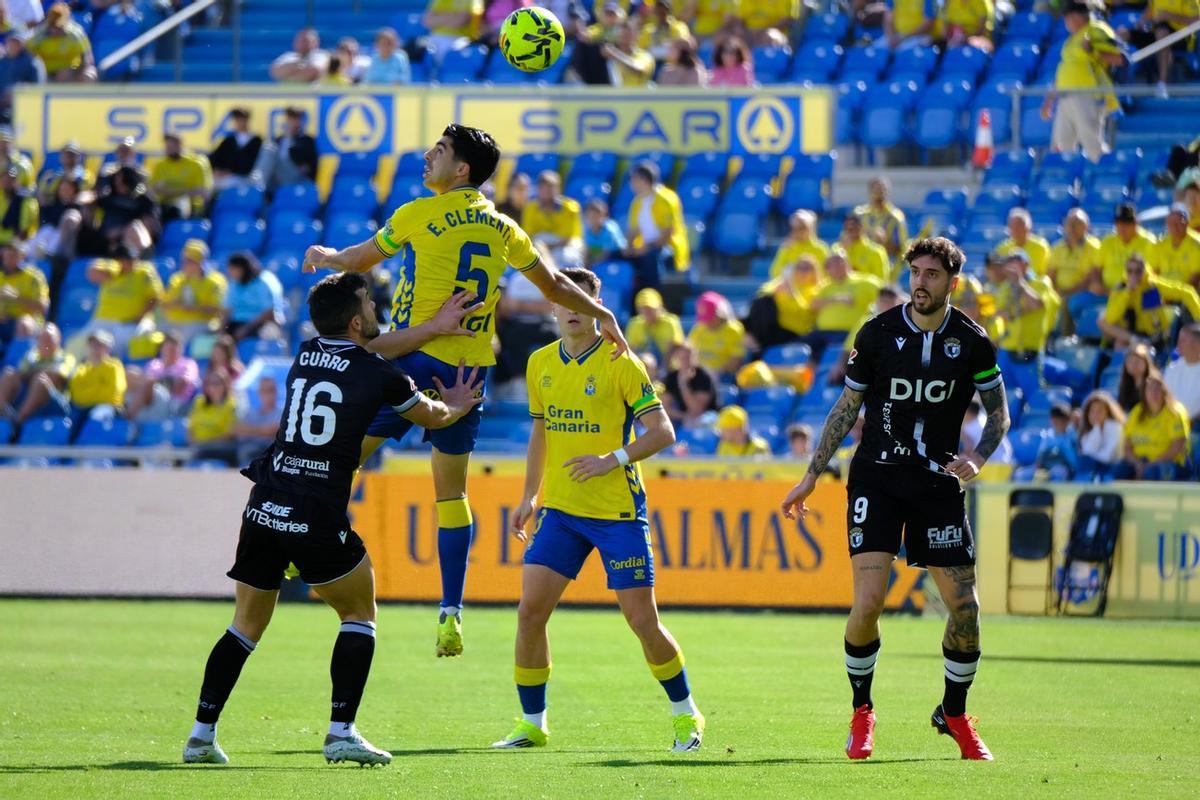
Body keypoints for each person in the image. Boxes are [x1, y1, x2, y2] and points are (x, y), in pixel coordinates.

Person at [301, 123, 628, 657]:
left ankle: (304, 546)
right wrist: (603, 312)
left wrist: (329, 256)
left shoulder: (417, 213)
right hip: (467, 374)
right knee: (451, 494)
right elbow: (554, 286)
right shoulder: (505, 228)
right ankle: (450, 609)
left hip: (412, 356)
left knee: (340, 456)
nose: (428, 156)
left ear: (461, 170)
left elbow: (361, 260)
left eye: (439, 150)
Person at [181, 270, 484, 766]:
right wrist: (452, 405)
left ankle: (200, 735)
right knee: (359, 614)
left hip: (265, 501)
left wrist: (431, 328)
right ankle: (341, 732)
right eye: (366, 303)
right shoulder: (379, 374)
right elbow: (429, 415)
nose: (373, 309)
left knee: (244, 627)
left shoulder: (303, 354)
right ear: (354, 320)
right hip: (316, 509)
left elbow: (373, 345)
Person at [780, 236, 1009, 762]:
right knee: (869, 602)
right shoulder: (878, 334)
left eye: (931, 274)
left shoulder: (973, 342)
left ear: (952, 282)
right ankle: (862, 712)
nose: (920, 283)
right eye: (915, 273)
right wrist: (813, 474)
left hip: (938, 484)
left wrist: (978, 457)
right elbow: (845, 406)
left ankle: (953, 713)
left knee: (966, 611)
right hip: (877, 478)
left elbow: (998, 413)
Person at [495, 266, 704, 753]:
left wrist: (611, 459)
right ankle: (532, 723)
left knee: (642, 622)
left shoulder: (622, 363)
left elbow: (663, 433)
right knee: (530, 613)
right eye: (562, 300)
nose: (570, 309)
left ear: (596, 306)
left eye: (581, 300)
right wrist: (530, 495)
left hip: (617, 514)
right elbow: (541, 431)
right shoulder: (540, 362)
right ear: (551, 306)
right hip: (562, 513)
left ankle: (685, 714)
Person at [1040, 2, 1126, 163]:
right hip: (1065, 98)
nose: (1065, 23)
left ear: (1074, 17)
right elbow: (1063, 71)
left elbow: (1121, 59)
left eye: (1066, 18)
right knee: (1060, 145)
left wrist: (1093, 50)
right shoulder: (1072, 39)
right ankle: (1063, 184)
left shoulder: (1096, 29)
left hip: (1088, 95)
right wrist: (1049, 101)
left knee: (1092, 143)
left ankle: (1109, 176)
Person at [990, 249, 1060, 401]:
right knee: (1003, 395)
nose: (1009, 264)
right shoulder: (1006, 286)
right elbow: (1000, 311)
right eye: (1008, 261)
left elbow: (1038, 304)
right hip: (1007, 348)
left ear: (1025, 264)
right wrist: (1019, 311)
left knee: (1033, 395)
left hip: (1030, 348)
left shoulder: (1041, 282)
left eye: (1014, 260)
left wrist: (1020, 283)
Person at [1098, 253, 1200, 351]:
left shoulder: (1153, 285)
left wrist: (1198, 317)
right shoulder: (1121, 287)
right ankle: (1133, 343)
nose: (1134, 275)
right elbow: (1110, 318)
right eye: (1130, 271)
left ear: (1144, 270)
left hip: (1153, 334)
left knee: (1120, 344)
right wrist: (1127, 292)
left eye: (1138, 271)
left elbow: (1187, 292)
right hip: (1133, 333)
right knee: (1102, 321)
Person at [82, 243, 161, 356]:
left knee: (120, 340)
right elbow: (91, 273)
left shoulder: (145, 271)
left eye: (133, 258)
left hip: (131, 322)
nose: (132, 262)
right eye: (127, 259)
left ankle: (113, 367)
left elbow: (154, 298)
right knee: (82, 342)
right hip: (103, 320)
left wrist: (139, 318)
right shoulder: (111, 269)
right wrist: (112, 270)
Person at [624, 160, 689, 295]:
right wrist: (629, 248)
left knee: (650, 259)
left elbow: (667, 232)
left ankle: (656, 297)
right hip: (644, 247)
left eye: (634, 179)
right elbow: (632, 230)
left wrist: (646, 248)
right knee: (616, 255)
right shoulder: (637, 201)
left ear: (643, 180)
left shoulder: (666, 198)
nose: (631, 183)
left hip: (667, 248)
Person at [810, 249, 882, 358]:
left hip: (847, 332)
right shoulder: (825, 287)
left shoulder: (865, 282)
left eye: (839, 262)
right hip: (821, 332)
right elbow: (813, 305)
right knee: (798, 347)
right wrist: (836, 299)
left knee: (825, 354)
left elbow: (888, 294)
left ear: (847, 263)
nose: (837, 266)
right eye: (830, 265)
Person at [1118, 373, 1192, 480]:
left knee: (1151, 473)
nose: (1154, 393)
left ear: (1164, 392)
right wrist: (1137, 464)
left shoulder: (1175, 412)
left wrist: (1151, 464)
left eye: (1157, 389)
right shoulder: (1136, 412)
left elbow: (1177, 447)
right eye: (1150, 389)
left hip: (1171, 463)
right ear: (1144, 393)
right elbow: (1127, 446)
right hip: (1140, 461)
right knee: (1119, 471)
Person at [0, 321, 72, 430]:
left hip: (55, 401)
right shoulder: (31, 356)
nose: (45, 343)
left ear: (58, 340)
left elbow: (56, 377)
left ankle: (17, 422)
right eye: (42, 339)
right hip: (29, 395)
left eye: (49, 339)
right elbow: (20, 374)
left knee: (40, 380)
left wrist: (33, 373)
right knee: (9, 373)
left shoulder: (66, 357)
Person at [1046, 208, 1104, 337]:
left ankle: (1064, 339)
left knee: (1066, 301)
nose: (1072, 228)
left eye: (1077, 224)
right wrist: (1054, 291)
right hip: (1059, 291)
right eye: (1069, 224)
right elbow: (1050, 276)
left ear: (1086, 227)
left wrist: (1066, 292)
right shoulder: (1057, 247)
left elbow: (1090, 278)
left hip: (1081, 291)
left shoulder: (1094, 247)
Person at [745, 256, 821, 353]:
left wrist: (791, 292)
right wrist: (781, 287)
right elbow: (762, 293)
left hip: (794, 330)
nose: (802, 271)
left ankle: (756, 342)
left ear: (814, 272)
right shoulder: (786, 284)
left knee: (765, 303)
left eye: (807, 268)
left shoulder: (817, 290)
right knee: (763, 301)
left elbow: (804, 311)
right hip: (774, 327)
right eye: (799, 268)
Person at [79, 164, 156, 257]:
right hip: (106, 240)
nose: (119, 184)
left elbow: (149, 224)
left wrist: (121, 231)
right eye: (116, 180)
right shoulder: (109, 198)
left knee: (134, 226)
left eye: (123, 181)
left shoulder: (142, 200)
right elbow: (85, 198)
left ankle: (145, 258)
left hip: (130, 240)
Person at [124, 330, 200, 420]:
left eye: (174, 349)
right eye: (168, 348)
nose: (170, 352)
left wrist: (154, 382)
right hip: (150, 398)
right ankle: (124, 418)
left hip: (174, 403)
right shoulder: (154, 364)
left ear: (181, 349)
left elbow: (180, 386)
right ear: (162, 349)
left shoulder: (188, 364)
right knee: (130, 372)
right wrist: (155, 381)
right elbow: (146, 382)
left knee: (147, 384)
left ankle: (126, 419)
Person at [1136, 0, 1200, 94]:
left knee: (1162, 33)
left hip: (1183, 37)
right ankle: (1118, 90)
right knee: (1123, 33)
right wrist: (1142, 22)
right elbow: (1148, 13)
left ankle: (1162, 85)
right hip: (1155, 32)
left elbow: (1197, 21)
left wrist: (1169, 16)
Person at [523, 171, 584, 269]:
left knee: (570, 257)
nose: (547, 192)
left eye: (551, 187)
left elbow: (567, 239)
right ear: (538, 189)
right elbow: (529, 235)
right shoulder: (531, 207)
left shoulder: (570, 207)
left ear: (558, 188)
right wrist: (542, 247)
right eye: (543, 188)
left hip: (566, 246)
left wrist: (545, 247)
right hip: (541, 245)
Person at [67, 328, 126, 427]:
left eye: (100, 345)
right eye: (92, 345)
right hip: (83, 409)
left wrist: (89, 393)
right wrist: (98, 390)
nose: (95, 349)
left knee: (98, 415)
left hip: (109, 408)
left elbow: (114, 393)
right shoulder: (81, 370)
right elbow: (77, 397)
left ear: (108, 348)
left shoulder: (114, 367)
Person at [150, 133, 213, 223]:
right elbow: (154, 189)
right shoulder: (160, 165)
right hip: (163, 205)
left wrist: (169, 191)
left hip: (191, 206)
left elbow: (201, 191)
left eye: (171, 146)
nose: (168, 150)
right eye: (167, 146)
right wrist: (185, 191)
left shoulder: (196, 164)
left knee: (179, 205)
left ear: (180, 145)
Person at [222, 252, 284, 341]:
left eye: (232, 269)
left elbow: (269, 312)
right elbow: (228, 309)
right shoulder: (234, 283)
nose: (229, 272)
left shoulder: (264, 282)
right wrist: (221, 329)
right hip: (237, 323)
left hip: (261, 323)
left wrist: (246, 328)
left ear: (242, 269)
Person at [26, 3, 94, 82]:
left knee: (89, 74)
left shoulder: (75, 34)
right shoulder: (38, 35)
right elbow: (26, 57)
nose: (55, 30)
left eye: (59, 27)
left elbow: (87, 58)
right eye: (52, 26)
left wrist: (77, 72)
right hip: (45, 74)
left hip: (70, 73)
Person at [1013, 402, 1078, 482]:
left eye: (1061, 419)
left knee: (1059, 472)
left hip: (1064, 468)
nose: (1057, 422)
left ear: (1067, 421)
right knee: (1020, 474)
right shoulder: (1048, 435)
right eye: (1054, 419)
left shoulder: (1072, 435)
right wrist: (1038, 467)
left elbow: (1073, 461)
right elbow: (1041, 456)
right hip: (1045, 467)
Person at [1099, 202, 1157, 290]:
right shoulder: (1108, 241)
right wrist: (1097, 283)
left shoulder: (1148, 242)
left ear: (1135, 224)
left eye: (1126, 223)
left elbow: (1154, 272)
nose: (1122, 227)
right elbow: (1096, 269)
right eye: (1118, 223)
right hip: (1106, 292)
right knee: (1078, 300)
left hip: (1136, 293)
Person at [661, 340, 718, 429]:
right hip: (685, 418)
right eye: (682, 358)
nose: (685, 361)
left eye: (688, 357)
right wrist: (683, 416)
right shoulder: (672, 377)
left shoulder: (703, 376)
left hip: (707, 418)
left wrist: (684, 384)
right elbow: (665, 408)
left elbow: (696, 410)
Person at [687, 290, 744, 375]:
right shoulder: (698, 328)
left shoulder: (734, 330)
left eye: (710, 317)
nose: (707, 322)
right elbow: (687, 353)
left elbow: (736, 361)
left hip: (724, 376)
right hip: (698, 375)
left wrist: (715, 372)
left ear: (720, 315)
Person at [0, 239, 47, 345]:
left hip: (29, 322)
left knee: (23, 324)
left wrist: (16, 297)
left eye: (13, 256)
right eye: (6, 257)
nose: (8, 261)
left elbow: (42, 307)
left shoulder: (34, 277)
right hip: (4, 322)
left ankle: (19, 358)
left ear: (21, 256)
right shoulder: (0, 277)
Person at [855, 178, 909, 264]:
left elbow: (902, 249)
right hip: (861, 266)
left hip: (886, 265)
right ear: (869, 192)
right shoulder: (858, 214)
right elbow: (846, 241)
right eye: (876, 190)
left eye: (883, 190)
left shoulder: (896, 217)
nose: (880, 194)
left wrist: (883, 242)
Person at [1076, 389, 1125, 482]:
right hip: (1098, 467)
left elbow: (1108, 456)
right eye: (1092, 411)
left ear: (1108, 412)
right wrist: (1096, 430)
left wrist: (1091, 456)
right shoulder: (1089, 432)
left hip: (1115, 467)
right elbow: (1089, 452)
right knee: (1083, 461)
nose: (1096, 415)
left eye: (1100, 411)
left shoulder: (1115, 427)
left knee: (1086, 460)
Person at [626, 287, 683, 366]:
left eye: (650, 308)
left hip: (668, 370)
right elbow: (631, 351)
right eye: (643, 308)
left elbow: (673, 351)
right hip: (643, 369)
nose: (647, 311)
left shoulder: (670, 322)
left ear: (660, 306)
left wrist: (663, 372)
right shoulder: (634, 324)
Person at [209, 107, 263, 191]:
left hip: (247, 177)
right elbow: (215, 157)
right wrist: (216, 170)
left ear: (247, 120)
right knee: (208, 183)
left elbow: (250, 164)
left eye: (241, 118)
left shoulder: (256, 141)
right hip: (227, 176)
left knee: (231, 182)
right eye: (236, 119)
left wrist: (229, 171)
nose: (238, 122)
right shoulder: (229, 140)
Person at [234, 374, 282, 466]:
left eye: (270, 390)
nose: (267, 394)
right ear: (259, 392)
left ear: (276, 392)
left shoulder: (282, 412)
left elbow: (274, 431)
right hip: (247, 446)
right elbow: (237, 430)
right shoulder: (250, 412)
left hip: (269, 449)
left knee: (245, 452)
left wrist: (249, 430)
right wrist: (262, 431)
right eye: (264, 390)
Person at [0, 29, 45, 124]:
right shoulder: (2, 62)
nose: (14, 44)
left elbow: (38, 87)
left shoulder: (33, 62)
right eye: (12, 41)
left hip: (24, 108)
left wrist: (18, 92)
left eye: (17, 41)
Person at [770, 210, 829, 280]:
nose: (797, 231)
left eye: (801, 227)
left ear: (811, 228)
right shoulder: (787, 247)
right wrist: (785, 250)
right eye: (794, 228)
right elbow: (774, 274)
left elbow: (827, 275)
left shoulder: (820, 248)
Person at [995, 208, 1050, 278]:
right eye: (1013, 227)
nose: (1016, 231)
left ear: (1028, 227)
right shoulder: (1002, 248)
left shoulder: (1041, 247)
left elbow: (1045, 275)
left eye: (1020, 226)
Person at [1164, 322, 1200, 428]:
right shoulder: (1172, 369)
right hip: (1172, 425)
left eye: (1183, 340)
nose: (1178, 344)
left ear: (1198, 344)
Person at [1155, 204, 1200, 289]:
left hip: (1188, 294)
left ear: (1187, 223)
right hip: (1164, 295)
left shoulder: (1196, 244)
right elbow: (1155, 272)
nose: (1174, 227)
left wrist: (1178, 293)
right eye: (1171, 223)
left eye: (1178, 223)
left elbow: (1195, 278)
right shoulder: (1161, 244)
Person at [424, 0, 483, 64]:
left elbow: (459, 22)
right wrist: (453, 16)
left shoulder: (476, 1)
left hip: (462, 39)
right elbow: (427, 21)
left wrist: (440, 17)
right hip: (435, 37)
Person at [602, 19, 656, 86]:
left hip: (638, 95)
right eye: (622, 35)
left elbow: (639, 70)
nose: (624, 37)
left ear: (636, 35)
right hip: (615, 95)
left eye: (628, 34)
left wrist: (614, 54)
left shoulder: (645, 56)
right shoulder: (609, 56)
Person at [36, 141, 90, 206]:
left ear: (79, 158)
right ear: (61, 157)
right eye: (67, 155)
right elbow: (42, 198)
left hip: (77, 210)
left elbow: (89, 196)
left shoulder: (86, 177)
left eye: (72, 156)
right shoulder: (50, 177)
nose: (69, 159)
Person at [840, 213, 891, 282]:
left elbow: (881, 280)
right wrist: (844, 250)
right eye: (847, 229)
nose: (850, 232)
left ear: (861, 228)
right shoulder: (838, 250)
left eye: (852, 229)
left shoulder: (876, 251)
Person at [582, 198, 627, 267]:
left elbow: (606, 253)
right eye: (590, 216)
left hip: (616, 256)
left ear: (604, 215)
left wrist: (592, 265)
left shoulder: (609, 229)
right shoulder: (588, 230)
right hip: (598, 256)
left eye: (596, 216)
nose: (593, 219)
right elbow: (588, 251)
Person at [1116, 341, 1159, 413]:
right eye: (1130, 362)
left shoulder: (1154, 384)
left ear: (1146, 362)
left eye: (1137, 361)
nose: (1134, 365)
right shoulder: (1125, 385)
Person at [0, 165, 36, 245]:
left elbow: (23, 232)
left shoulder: (25, 200)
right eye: (3, 178)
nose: (6, 182)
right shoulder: (1, 197)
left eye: (10, 179)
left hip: (16, 244)